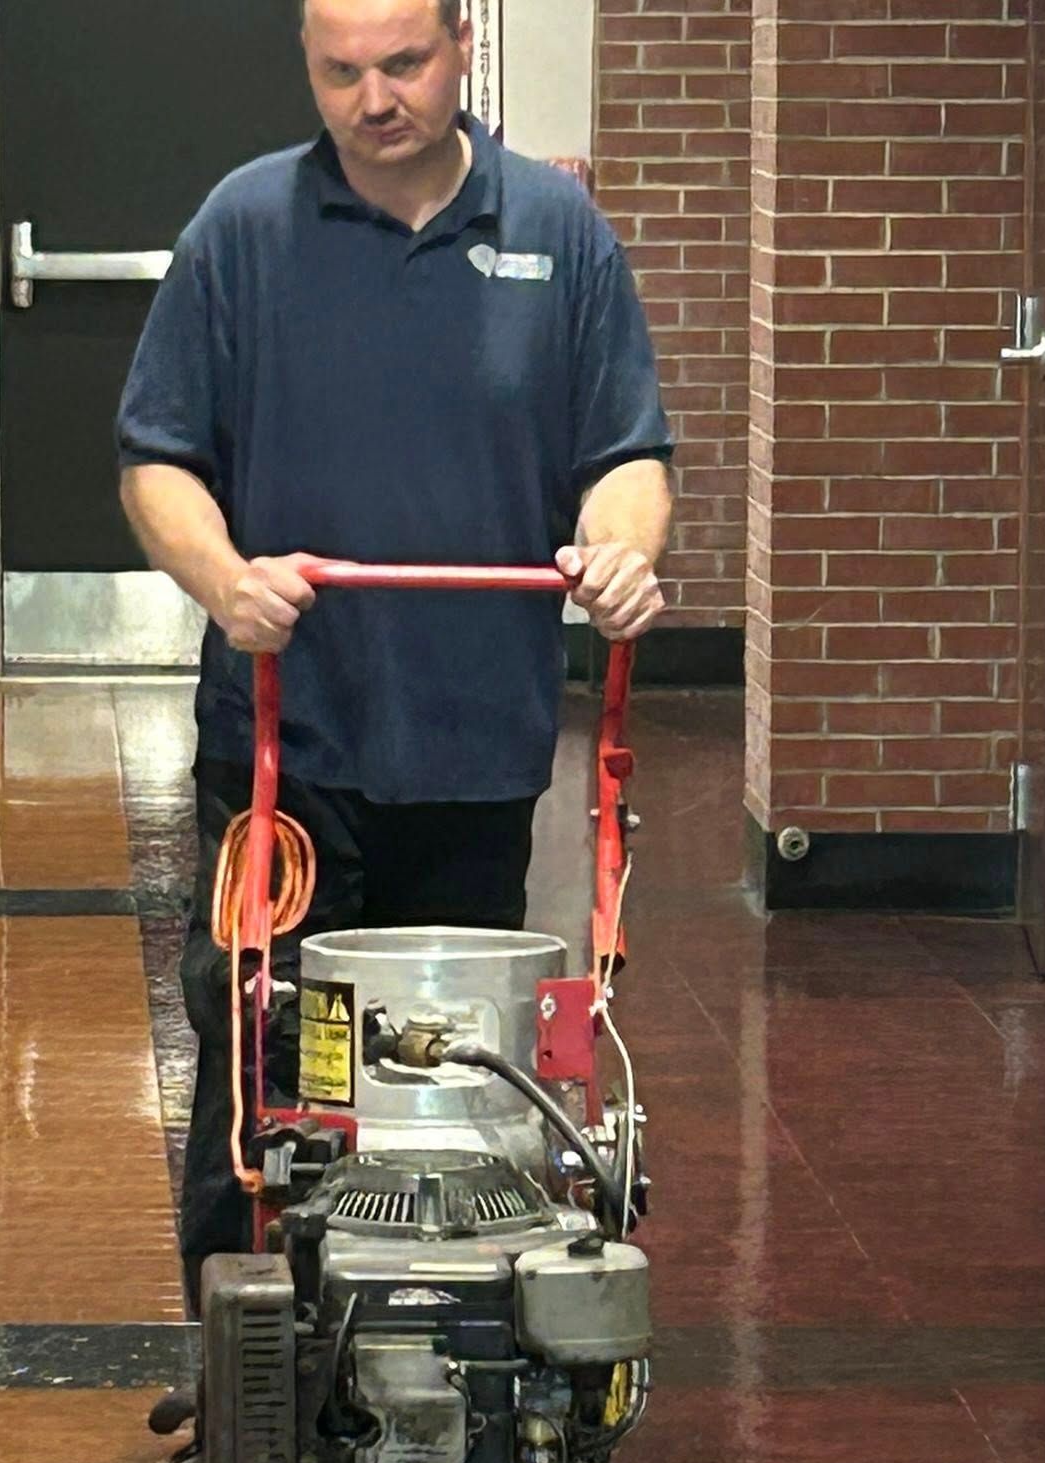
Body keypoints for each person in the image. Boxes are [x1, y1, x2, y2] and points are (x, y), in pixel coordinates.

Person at [117, 0, 673, 1309]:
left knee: (452, 1066)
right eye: (341, 72)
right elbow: (160, 462)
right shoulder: (243, 233)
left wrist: (620, 550)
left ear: (463, 44)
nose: (375, 99)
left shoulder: (556, 233)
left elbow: (625, 457)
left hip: (474, 745)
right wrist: (225, 580)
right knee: (275, 1054)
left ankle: (440, 1326)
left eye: (403, 65)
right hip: (286, 746)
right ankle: (245, 1357)